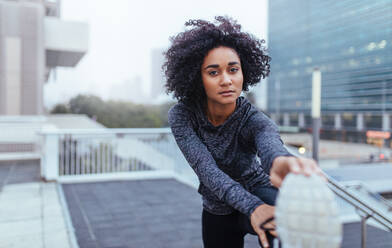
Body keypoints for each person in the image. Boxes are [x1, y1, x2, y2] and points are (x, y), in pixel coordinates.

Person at [163, 16, 324, 248]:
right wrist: (253, 208)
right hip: (217, 207)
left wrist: (281, 161)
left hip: (259, 191)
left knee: (286, 230)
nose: (226, 80)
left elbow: (270, 144)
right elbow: (208, 172)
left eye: (233, 69)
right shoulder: (182, 115)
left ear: (244, 72)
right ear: (198, 78)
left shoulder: (255, 119)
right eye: (213, 72)